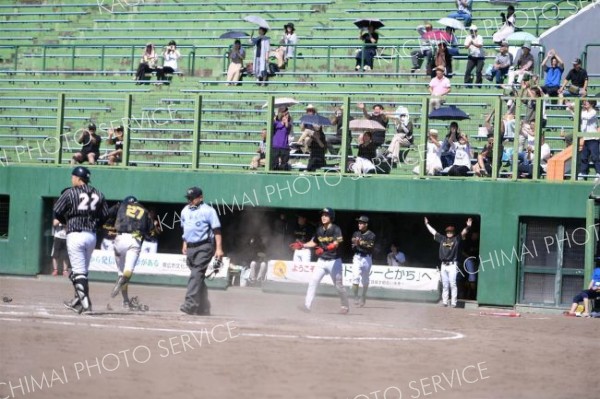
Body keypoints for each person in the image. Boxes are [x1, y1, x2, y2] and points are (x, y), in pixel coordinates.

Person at [54, 166, 109, 314]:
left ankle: (86, 306)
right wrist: (95, 224)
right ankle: (78, 300)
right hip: (91, 235)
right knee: (82, 272)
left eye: (73, 177)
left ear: (78, 178)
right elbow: (105, 215)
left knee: (78, 273)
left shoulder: (70, 192)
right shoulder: (99, 193)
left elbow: (57, 211)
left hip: (75, 234)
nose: (72, 180)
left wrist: (65, 221)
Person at [180, 186, 224, 316]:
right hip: (190, 248)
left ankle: (190, 304)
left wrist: (219, 249)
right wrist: (184, 242)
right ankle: (204, 307)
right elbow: (185, 228)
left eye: (192, 198)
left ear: (200, 198)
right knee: (198, 277)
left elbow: (217, 230)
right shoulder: (184, 211)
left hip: (204, 246)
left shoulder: (209, 211)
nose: (190, 200)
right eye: (188, 198)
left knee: (196, 274)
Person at [298, 208, 349, 314]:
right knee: (313, 281)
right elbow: (314, 242)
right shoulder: (319, 229)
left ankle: (345, 306)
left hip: (334, 261)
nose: (323, 217)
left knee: (338, 286)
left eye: (326, 215)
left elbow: (336, 244)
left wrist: (324, 249)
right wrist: (303, 245)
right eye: (322, 215)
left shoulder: (336, 229)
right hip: (321, 261)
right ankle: (307, 305)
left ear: (331, 217)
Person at [109, 196, 153, 309]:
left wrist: (108, 226)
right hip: (135, 240)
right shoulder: (144, 210)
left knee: (121, 273)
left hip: (120, 238)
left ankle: (125, 301)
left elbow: (108, 214)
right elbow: (150, 231)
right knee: (128, 271)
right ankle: (124, 292)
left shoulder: (121, 205)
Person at [424, 217, 472, 308]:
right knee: (445, 284)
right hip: (443, 265)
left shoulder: (456, 239)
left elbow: (463, 233)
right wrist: (427, 224)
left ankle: (453, 303)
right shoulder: (442, 239)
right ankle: (445, 302)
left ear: (453, 233)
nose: (449, 233)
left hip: (452, 264)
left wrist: (468, 227)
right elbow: (433, 232)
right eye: (448, 232)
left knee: (452, 284)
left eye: (451, 232)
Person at [351, 216, 376, 307]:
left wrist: (360, 243)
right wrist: (356, 243)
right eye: (359, 223)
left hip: (367, 258)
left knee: (365, 281)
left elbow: (370, 246)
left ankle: (363, 296)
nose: (359, 224)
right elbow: (353, 244)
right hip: (357, 257)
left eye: (361, 223)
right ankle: (356, 297)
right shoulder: (356, 233)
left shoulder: (371, 235)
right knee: (356, 277)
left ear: (366, 224)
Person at [577, 100, 599, 180]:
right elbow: (578, 117)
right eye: (585, 102)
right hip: (586, 138)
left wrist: (576, 110)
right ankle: (583, 172)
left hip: (593, 138)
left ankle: (598, 173)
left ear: (592, 104)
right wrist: (572, 109)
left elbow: (587, 117)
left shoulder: (593, 112)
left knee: (595, 157)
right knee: (584, 157)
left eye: (587, 102)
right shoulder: (584, 112)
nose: (585, 103)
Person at [271, 106, 292, 171]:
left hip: (284, 147)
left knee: (284, 163)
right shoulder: (276, 123)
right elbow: (274, 126)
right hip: (275, 146)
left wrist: (286, 122)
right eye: (285, 116)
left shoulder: (288, 125)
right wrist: (281, 121)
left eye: (287, 116)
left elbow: (288, 128)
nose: (286, 117)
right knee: (274, 163)